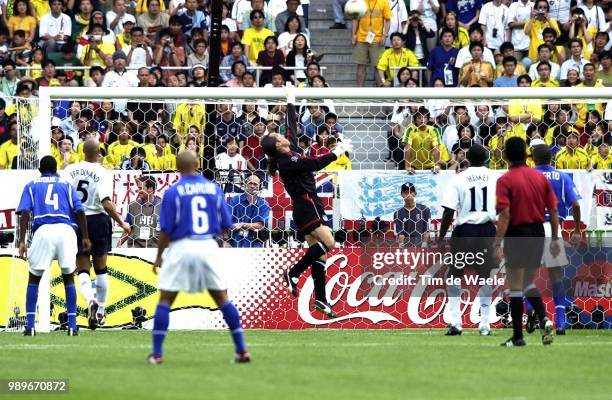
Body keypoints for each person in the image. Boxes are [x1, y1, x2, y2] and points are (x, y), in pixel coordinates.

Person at [148, 150, 250, 364]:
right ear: (197, 163)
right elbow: (226, 224)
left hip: (181, 245)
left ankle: (157, 354)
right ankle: (242, 350)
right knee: (222, 298)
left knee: (165, 299)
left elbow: (165, 229)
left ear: (177, 167)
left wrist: (159, 256)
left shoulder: (173, 192)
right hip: (207, 244)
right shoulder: (213, 189)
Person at [262, 102, 353, 318]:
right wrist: (337, 151)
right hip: (307, 203)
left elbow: (292, 129)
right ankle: (292, 273)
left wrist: (291, 103)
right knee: (329, 242)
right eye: (278, 136)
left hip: (306, 205)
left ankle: (320, 298)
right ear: (277, 145)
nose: (282, 135)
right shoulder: (286, 159)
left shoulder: (288, 154)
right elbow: (314, 164)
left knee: (319, 255)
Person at [17, 155, 91, 336]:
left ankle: (29, 325)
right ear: (56, 169)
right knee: (68, 277)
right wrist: (86, 237)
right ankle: (73, 326)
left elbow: (25, 212)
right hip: (66, 231)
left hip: (43, 231)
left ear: (40, 170)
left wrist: (21, 240)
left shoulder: (32, 185)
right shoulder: (66, 185)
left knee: (34, 278)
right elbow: (79, 210)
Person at [495, 137, 558, 347]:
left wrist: (496, 243)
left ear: (505, 155)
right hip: (538, 233)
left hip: (517, 232)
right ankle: (546, 319)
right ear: (526, 154)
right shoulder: (539, 178)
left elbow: (504, 214)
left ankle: (518, 337)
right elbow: (554, 209)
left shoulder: (505, 180)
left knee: (514, 286)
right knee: (528, 283)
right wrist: (556, 238)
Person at [61, 139, 131, 329]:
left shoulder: (69, 171)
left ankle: (90, 299)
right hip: (98, 221)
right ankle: (100, 311)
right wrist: (122, 222)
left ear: (82, 151)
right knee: (101, 269)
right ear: (99, 152)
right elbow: (106, 202)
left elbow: (63, 197)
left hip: (77, 221)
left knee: (82, 267)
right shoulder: (103, 172)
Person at [438, 144, 498, 336]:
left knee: (455, 274)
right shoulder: (495, 178)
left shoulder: (459, 178)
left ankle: (456, 323)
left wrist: (441, 236)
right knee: (485, 276)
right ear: (486, 158)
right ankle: (485, 325)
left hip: (465, 230)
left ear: (468, 159)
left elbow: (448, 210)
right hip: (487, 229)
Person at [531, 143, 582, 335]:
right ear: (551, 159)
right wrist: (576, 229)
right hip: (554, 229)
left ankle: (531, 313)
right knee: (556, 276)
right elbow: (576, 205)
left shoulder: (529, 176)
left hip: (532, 229)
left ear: (533, 159)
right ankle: (560, 321)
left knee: (529, 275)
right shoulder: (562, 176)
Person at [351, 0, 391, 87]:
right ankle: (360, 91)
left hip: (377, 39)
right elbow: (355, 19)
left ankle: (380, 90)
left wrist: (384, 35)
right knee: (360, 65)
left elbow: (388, 19)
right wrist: (353, 34)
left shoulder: (384, 2)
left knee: (378, 66)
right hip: (361, 38)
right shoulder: (360, 2)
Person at [227, 173, 271, 248]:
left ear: (260, 186)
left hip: (254, 243)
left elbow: (261, 225)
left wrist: (242, 224)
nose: (252, 186)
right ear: (245, 184)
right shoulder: (235, 200)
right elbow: (227, 221)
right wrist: (225, 241)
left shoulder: (264, 204)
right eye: (250, 183)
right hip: (235, 242)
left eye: (255, 184)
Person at [119, 177, 161, 248]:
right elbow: (128, 229)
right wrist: (118, 245)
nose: (138, 191)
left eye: (141, 188)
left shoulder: (163, 206)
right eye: (138, 188)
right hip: (135, 249)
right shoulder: (133, 206)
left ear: (150, 189)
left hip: (154, 249)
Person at [393, 183, 431, 248]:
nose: (408, 194)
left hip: (422, 245)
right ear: (402, 194)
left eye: (411, 192)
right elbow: (400, 234)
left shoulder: (424, 209)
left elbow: (427, 231)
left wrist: (424, 245)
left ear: (415, 194)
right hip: (407, 247)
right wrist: (402, 246)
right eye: (405, 192)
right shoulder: (397, 213)